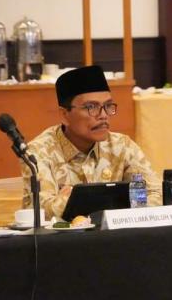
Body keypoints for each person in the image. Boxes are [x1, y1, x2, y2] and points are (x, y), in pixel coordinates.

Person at [20, 65, 161, 219]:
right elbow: (39, 213)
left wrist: (75, 198)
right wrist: (110, 200)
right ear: (64, 115)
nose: (103, 115)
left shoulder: (122, 146)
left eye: (108, 106)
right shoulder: (38, 152)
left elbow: (156, 194)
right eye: (91, 107)